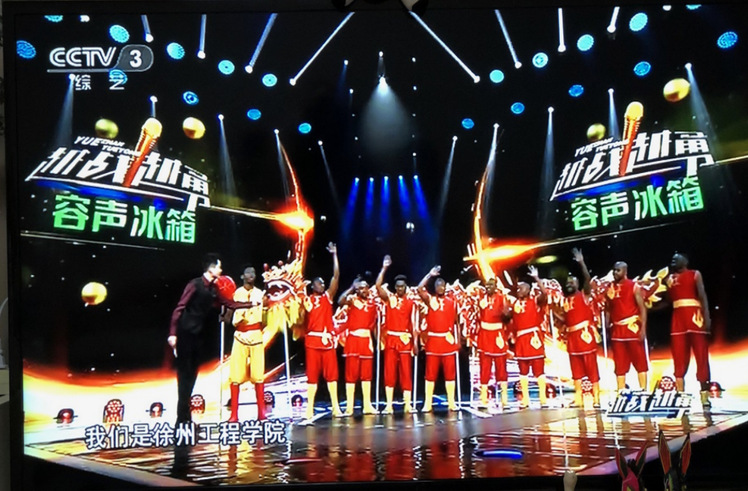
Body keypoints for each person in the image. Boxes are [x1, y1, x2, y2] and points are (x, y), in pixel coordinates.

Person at [168, 254, 253, 426]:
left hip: (198, 335)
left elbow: (229, 303)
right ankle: (181, 419)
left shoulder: (213, 289)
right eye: (219, 267)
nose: (221, 270)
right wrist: (173, 333)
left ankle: (186, 417)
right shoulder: (195, 284)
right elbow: (180, 307)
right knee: (184, 375)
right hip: (185, 333)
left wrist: (251, 304)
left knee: (192, 375)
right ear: (211, 268)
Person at [301, 242, 343, 420]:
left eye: (323, 283)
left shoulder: (328, 297)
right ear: (313, 286)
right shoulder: (307, 299)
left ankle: (335, 407)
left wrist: (334, 255)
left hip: (327, 342)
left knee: (332, 375)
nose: (323, 285)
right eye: (319, 283)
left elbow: (336, 276)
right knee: (312, 376)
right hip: (312, 342)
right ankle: (309, 408)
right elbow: (300, 319)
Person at [666, 253, 712, 407]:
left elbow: (702, 295)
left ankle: (705, 396)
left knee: (701, 355)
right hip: (678, 321)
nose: (673, 260)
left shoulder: (695, 274)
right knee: (678, 356)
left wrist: (707, 317)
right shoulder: (669, 278)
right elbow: (667, 300)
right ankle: (680, 395)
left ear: (685, 261)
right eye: (672, 258)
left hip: (695, 319)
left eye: (676, 258)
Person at [227, 266, 269, 422]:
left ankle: (261, 413)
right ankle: (234, 415)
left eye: (253, 273)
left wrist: (266, 307)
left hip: (256, 336)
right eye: (248, 273)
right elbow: (230, 313)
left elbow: (265, 320)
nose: (251, 275)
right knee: (236, 375)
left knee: (258, 375)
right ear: (242, 276)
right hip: (240, 336)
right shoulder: (236, 293)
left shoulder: (261, 294)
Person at [375, 255, 416, 414]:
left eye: (402, 287)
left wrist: (415, 342)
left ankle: (408, 404)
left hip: (405, 339)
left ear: (406, 287)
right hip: (391, 339)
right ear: (395, 287)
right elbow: (378, 286)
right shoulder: (389, 299)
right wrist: (384, 267)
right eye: (398, 286)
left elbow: (414, 323)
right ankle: (389, 405)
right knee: (389, 371)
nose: (400, 289)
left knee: (406, 372)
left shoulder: (410, 302)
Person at [561, 248, 601, 409]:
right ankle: (578, 398)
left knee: (591, 366)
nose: (569, 284)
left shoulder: (584, 294)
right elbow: (566, 320)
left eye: (572, 282)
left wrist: (581, 262)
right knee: (576, 369)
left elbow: (587, 279)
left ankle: (596, 398)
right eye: (567, 283)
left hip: (585, 336)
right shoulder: (565, 300)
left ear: (577, 284)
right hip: (572, 338)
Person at [418, 265, 460, 412]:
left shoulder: (452, 302)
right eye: (438, 286)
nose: (440, 288)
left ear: (445, 287)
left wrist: (458, 341)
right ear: (435, 288)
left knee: (450, 373)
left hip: (448, 341)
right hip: (433, 342)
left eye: (442, 285)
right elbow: (419, 288)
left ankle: (451, 402)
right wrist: (430, 275)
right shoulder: (430, 300)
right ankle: (427, 403)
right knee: (430, 373)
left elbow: (456, 322)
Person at [507, 265, 549, 409]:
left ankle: (543, 400)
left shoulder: (535, 301)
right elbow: (508, 319)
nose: (519, 290)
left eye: (522, 288)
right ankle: (525, 400)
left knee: (539, 371)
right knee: (522, 371)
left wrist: (536, 278)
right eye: (518, 288)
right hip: (521, 340)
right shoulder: (514, 304)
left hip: (533, 339)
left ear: (528, 290)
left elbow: (545, 294)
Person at [338, 277, 379, 416]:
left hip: (366, 340)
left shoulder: (373, 303)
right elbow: (340, 301)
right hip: (353, 341)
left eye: (365, 287)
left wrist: (377, 341)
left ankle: (367, 405)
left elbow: (374, 325)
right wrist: (351, 287)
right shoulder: (352, 300)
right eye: (360, 288)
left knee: (366, 375)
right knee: (351, 374)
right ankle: (349, 407)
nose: (363, 290)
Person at [606, 261, 648, 391]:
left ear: (625, 271)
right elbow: (608, 308)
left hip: (632, 328)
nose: (615, 272)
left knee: (640, 361)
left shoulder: (634, 286)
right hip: (617, 330)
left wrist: (643, 328)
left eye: (618, 270)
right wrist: (606, 324)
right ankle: (621, 392)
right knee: (619, 364)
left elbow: (642, 308)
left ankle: (643, 391)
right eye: (614, 270)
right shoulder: (610, 287)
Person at [475, 277, 510, 409]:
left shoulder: (502, 298)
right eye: (487, 285)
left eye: (491, 285)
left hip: (497, 335)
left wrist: (506, 312)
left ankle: (504, 400)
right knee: (484, 368)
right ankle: (483, 399)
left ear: (496, 287)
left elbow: (507, 317)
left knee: (501, 367)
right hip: (484, 335)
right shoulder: (481, 298)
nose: (488, 287)